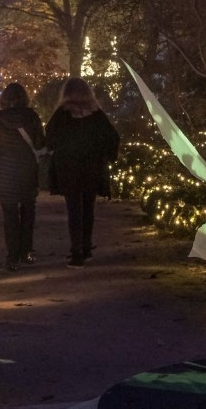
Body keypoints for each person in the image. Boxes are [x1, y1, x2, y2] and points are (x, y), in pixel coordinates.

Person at [46, 77, 120, 268]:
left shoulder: (62, 115)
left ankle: (76, 251)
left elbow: (50, 137)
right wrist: (108, 156)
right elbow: (113, 137)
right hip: (92, 167)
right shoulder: (97, 115)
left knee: (74, 210)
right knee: (88, 208)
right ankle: (86, 247)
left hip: (69, 168)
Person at [0, 82, 45, 271]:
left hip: (6, 171)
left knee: (10, 215)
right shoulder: (32, 117)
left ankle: (12, 256)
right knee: (28, 212)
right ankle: (27, 251)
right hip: (27, 170)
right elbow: (39, 143)